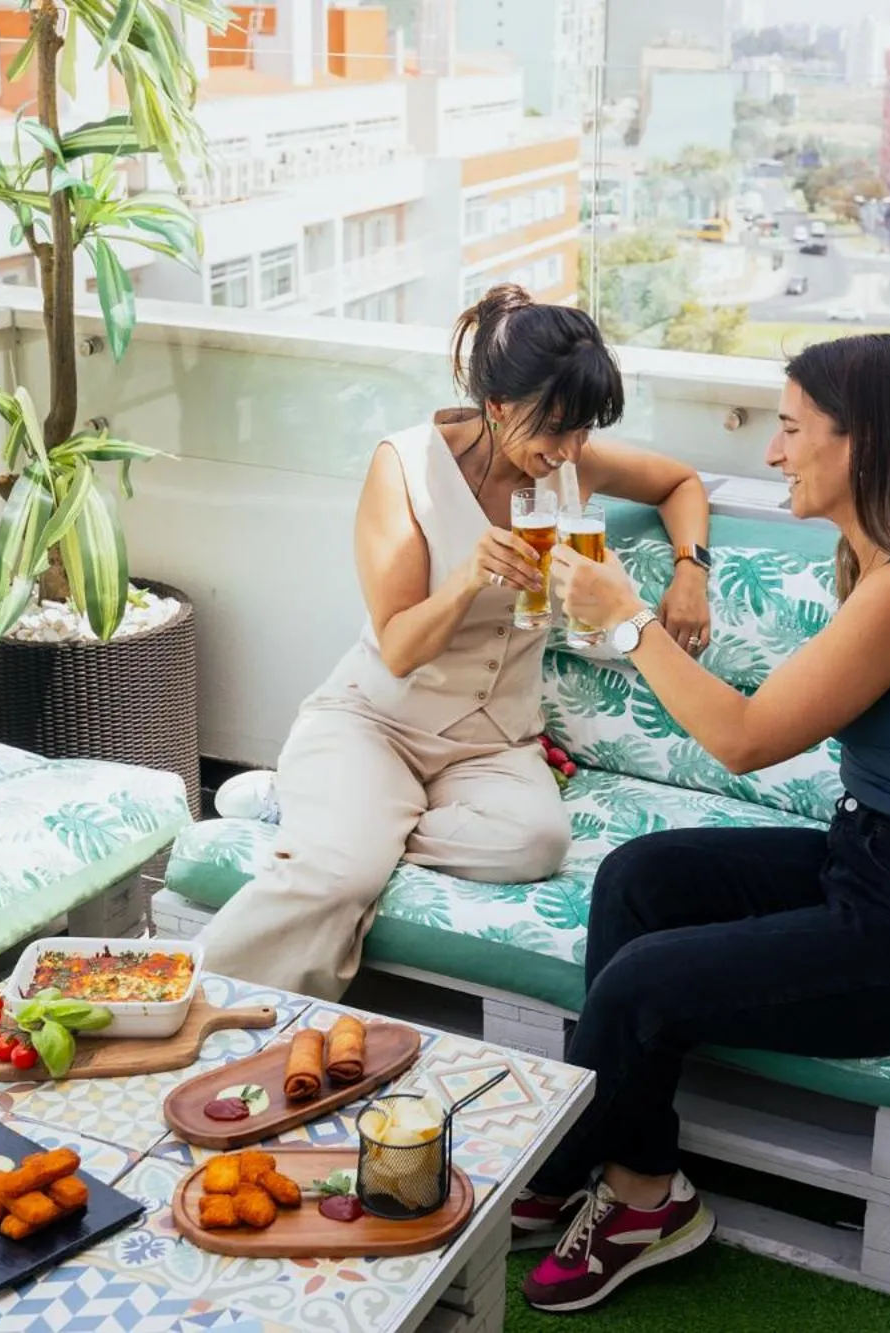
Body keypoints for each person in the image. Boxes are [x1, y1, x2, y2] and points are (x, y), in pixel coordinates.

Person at [515, 332, 890, 1314]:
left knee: (638, 988)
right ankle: (636, 1176)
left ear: (861, 442)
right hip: (871, 860)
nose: (772, 453)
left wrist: (630, 620)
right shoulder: (878, 558)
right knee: (638, 877)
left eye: (790, 429)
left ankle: (598, 1175)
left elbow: (743, 740)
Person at [196, 285, 715, 1001]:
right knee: (336, 876)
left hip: (495, 742)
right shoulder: (404, 468)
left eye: (582, 432)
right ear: (497, 405)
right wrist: (469, 577)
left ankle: (337, 816)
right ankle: (184, 1002)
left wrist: (692, 571)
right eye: (555, 428)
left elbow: (680, 482)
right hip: (376, 722)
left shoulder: (568, 461)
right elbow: (401, 646)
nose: (566, 451)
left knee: (536, 843)